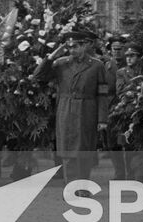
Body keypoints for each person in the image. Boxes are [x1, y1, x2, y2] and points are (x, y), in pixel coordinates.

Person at [34, 28, 110, 183]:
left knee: (85, 150)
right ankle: (72, 187)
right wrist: (51, 57)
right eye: (69, 47)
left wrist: (102, 119)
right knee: (68, 151)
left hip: (87, 110)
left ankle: (83, 184)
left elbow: (102, 92)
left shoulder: (97, 65)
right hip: (66, 110)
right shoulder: (61, 63)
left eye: (75, 46)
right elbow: (38, 76)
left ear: (84, 46)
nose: (72, 50)